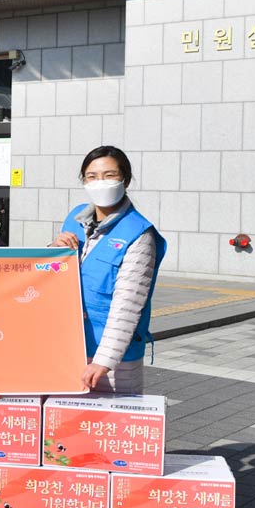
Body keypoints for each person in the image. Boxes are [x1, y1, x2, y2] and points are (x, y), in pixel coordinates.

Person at [51, 146, 166, 395]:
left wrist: (104, 360)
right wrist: (54, 250)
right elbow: (51, 279)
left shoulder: (138, 234)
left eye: (109, 175)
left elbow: (128, 305)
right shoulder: (75, 218)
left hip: (114, 363)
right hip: (69, 347)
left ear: (125, 180)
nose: (100, 182)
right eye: (91, 176)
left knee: (108, 417)